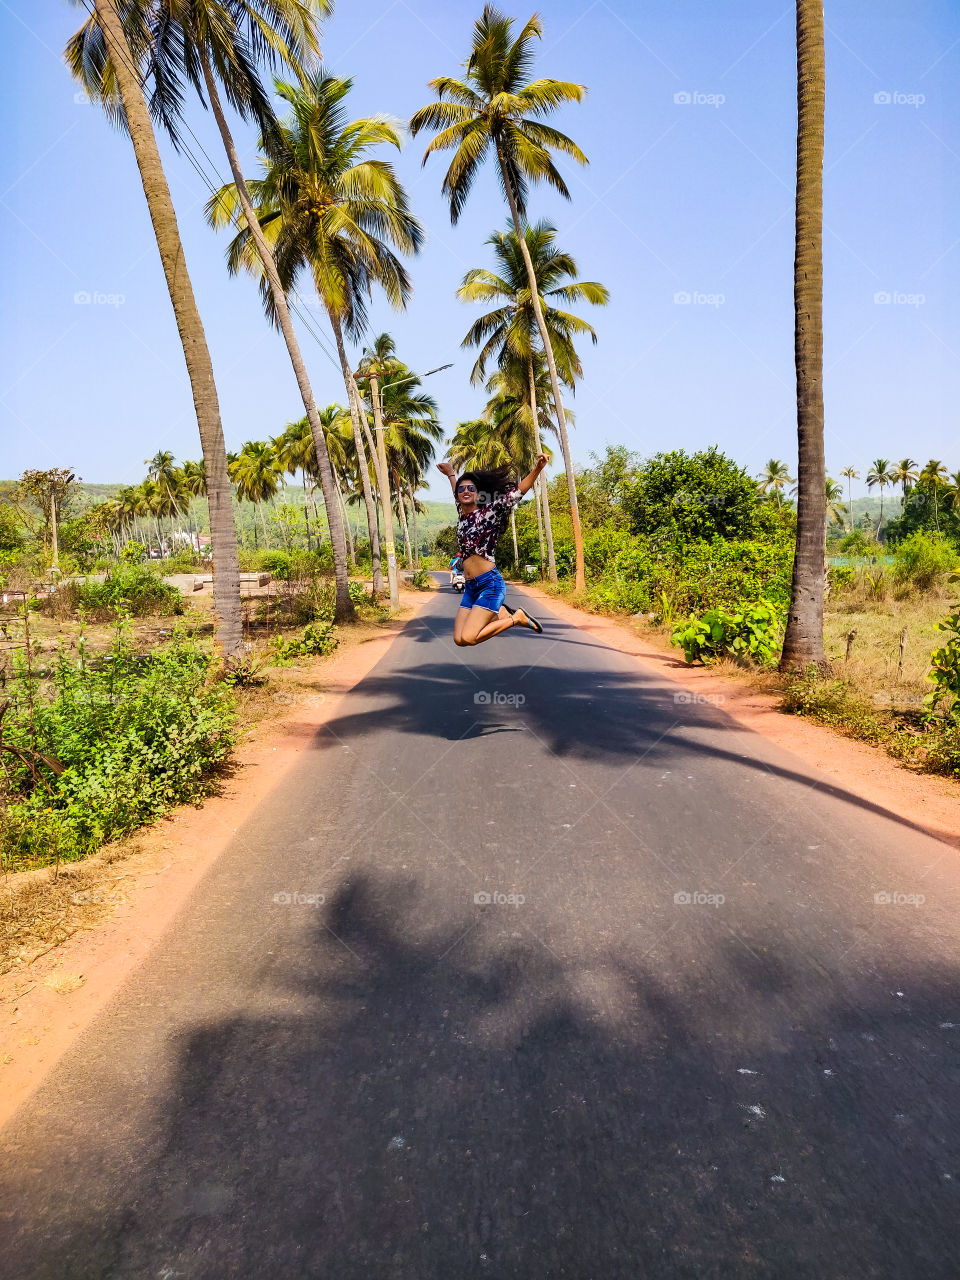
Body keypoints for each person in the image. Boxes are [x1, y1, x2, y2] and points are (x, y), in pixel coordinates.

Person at [437, 455, 548, 646]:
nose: (465, 491)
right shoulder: (463, 515)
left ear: (479, 494)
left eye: (471, 488)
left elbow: (518, 492)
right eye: (461, 489)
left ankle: (516, 618)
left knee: (470, 637)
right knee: (459, 639)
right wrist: (451, 474)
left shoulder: (490, 511)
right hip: (471, 587)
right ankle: (503, 613)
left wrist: (538, 468)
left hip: (490, 584)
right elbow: (458, 492)